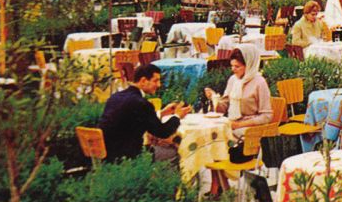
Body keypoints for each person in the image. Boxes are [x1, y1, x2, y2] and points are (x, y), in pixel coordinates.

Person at [204, 46, 273, 193]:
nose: (233, 70)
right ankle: (220, 184)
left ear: (249, 65)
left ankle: (218, 186)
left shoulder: (259, 83)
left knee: (217, 140)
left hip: (250, 131)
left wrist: (239, 124)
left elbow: (267, 116)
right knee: (210, 137)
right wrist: (214, 98)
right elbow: (224, 106)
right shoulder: (233, 81)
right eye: (232, 66)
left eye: (237, 66)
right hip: (233, 125)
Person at [99, 63, 190, 160]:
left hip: (108, 153)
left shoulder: (115, 97)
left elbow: (137, 119)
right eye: (155, 81)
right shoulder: (141, 103)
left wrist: (162, 113)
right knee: (177, 151)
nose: (159, 85)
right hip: (128, 157)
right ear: (143, 81)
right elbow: (163, 132)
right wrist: (177, 116)